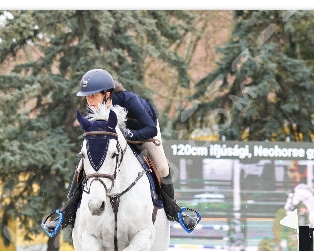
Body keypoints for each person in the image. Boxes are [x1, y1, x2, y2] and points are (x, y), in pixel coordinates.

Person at [42, 68, 198, 237]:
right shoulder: (93, 108)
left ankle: (173, 210)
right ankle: (67, 213)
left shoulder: (129, 100)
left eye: (93, 95)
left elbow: (150, 129)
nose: (89, 100)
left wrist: (128, 136)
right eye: (87, 96)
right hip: (115, 140)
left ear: (107, 93)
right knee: (82, 165)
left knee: (162, 167)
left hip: (144, 132)